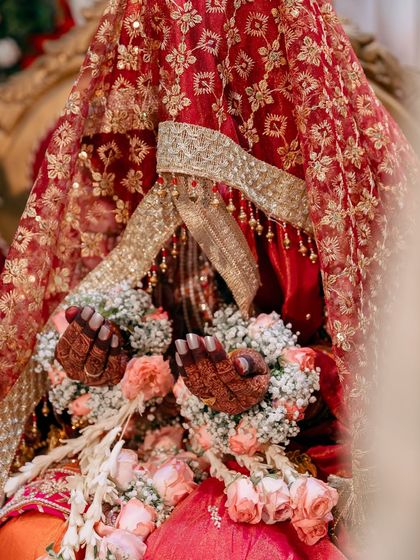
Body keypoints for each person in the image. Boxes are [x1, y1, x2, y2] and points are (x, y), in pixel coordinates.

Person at [0, 0, 415, 558]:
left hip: (276, 452)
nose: (188, 85)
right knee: (26, 539)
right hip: (130, 438)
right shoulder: (124, 168)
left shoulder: (335, 169)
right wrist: (88, 366)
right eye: (166, 59)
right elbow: (71, 328)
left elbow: (386, 360)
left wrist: (272, 383)